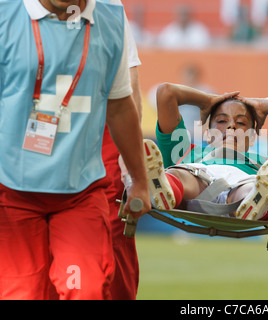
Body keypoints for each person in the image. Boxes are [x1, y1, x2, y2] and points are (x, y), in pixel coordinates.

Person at [0, 0, 151, 299]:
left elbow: (121, 105)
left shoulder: (111, 18)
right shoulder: (6, 14)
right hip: (11, 194)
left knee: (86, 290)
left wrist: (140, 180)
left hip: (80, 193)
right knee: (23, 294)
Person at [139, 82, 268, 221]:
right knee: (180, 173)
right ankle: (162, 188)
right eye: (222, 121)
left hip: (240, 194)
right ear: (207, 134)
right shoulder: (187, 153)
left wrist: (262, 105)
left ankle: (255, 201)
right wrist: (207, 101)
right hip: (195, 189)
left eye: (241, 123)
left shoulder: (267, 166)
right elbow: (166, 92)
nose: (231, 127)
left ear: (252, 138)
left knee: (253, 186)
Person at [99, 0, 143, 300]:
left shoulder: (109, 8)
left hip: (103, 136)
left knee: (115, 241)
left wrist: (131, 167)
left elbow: (129, 88)